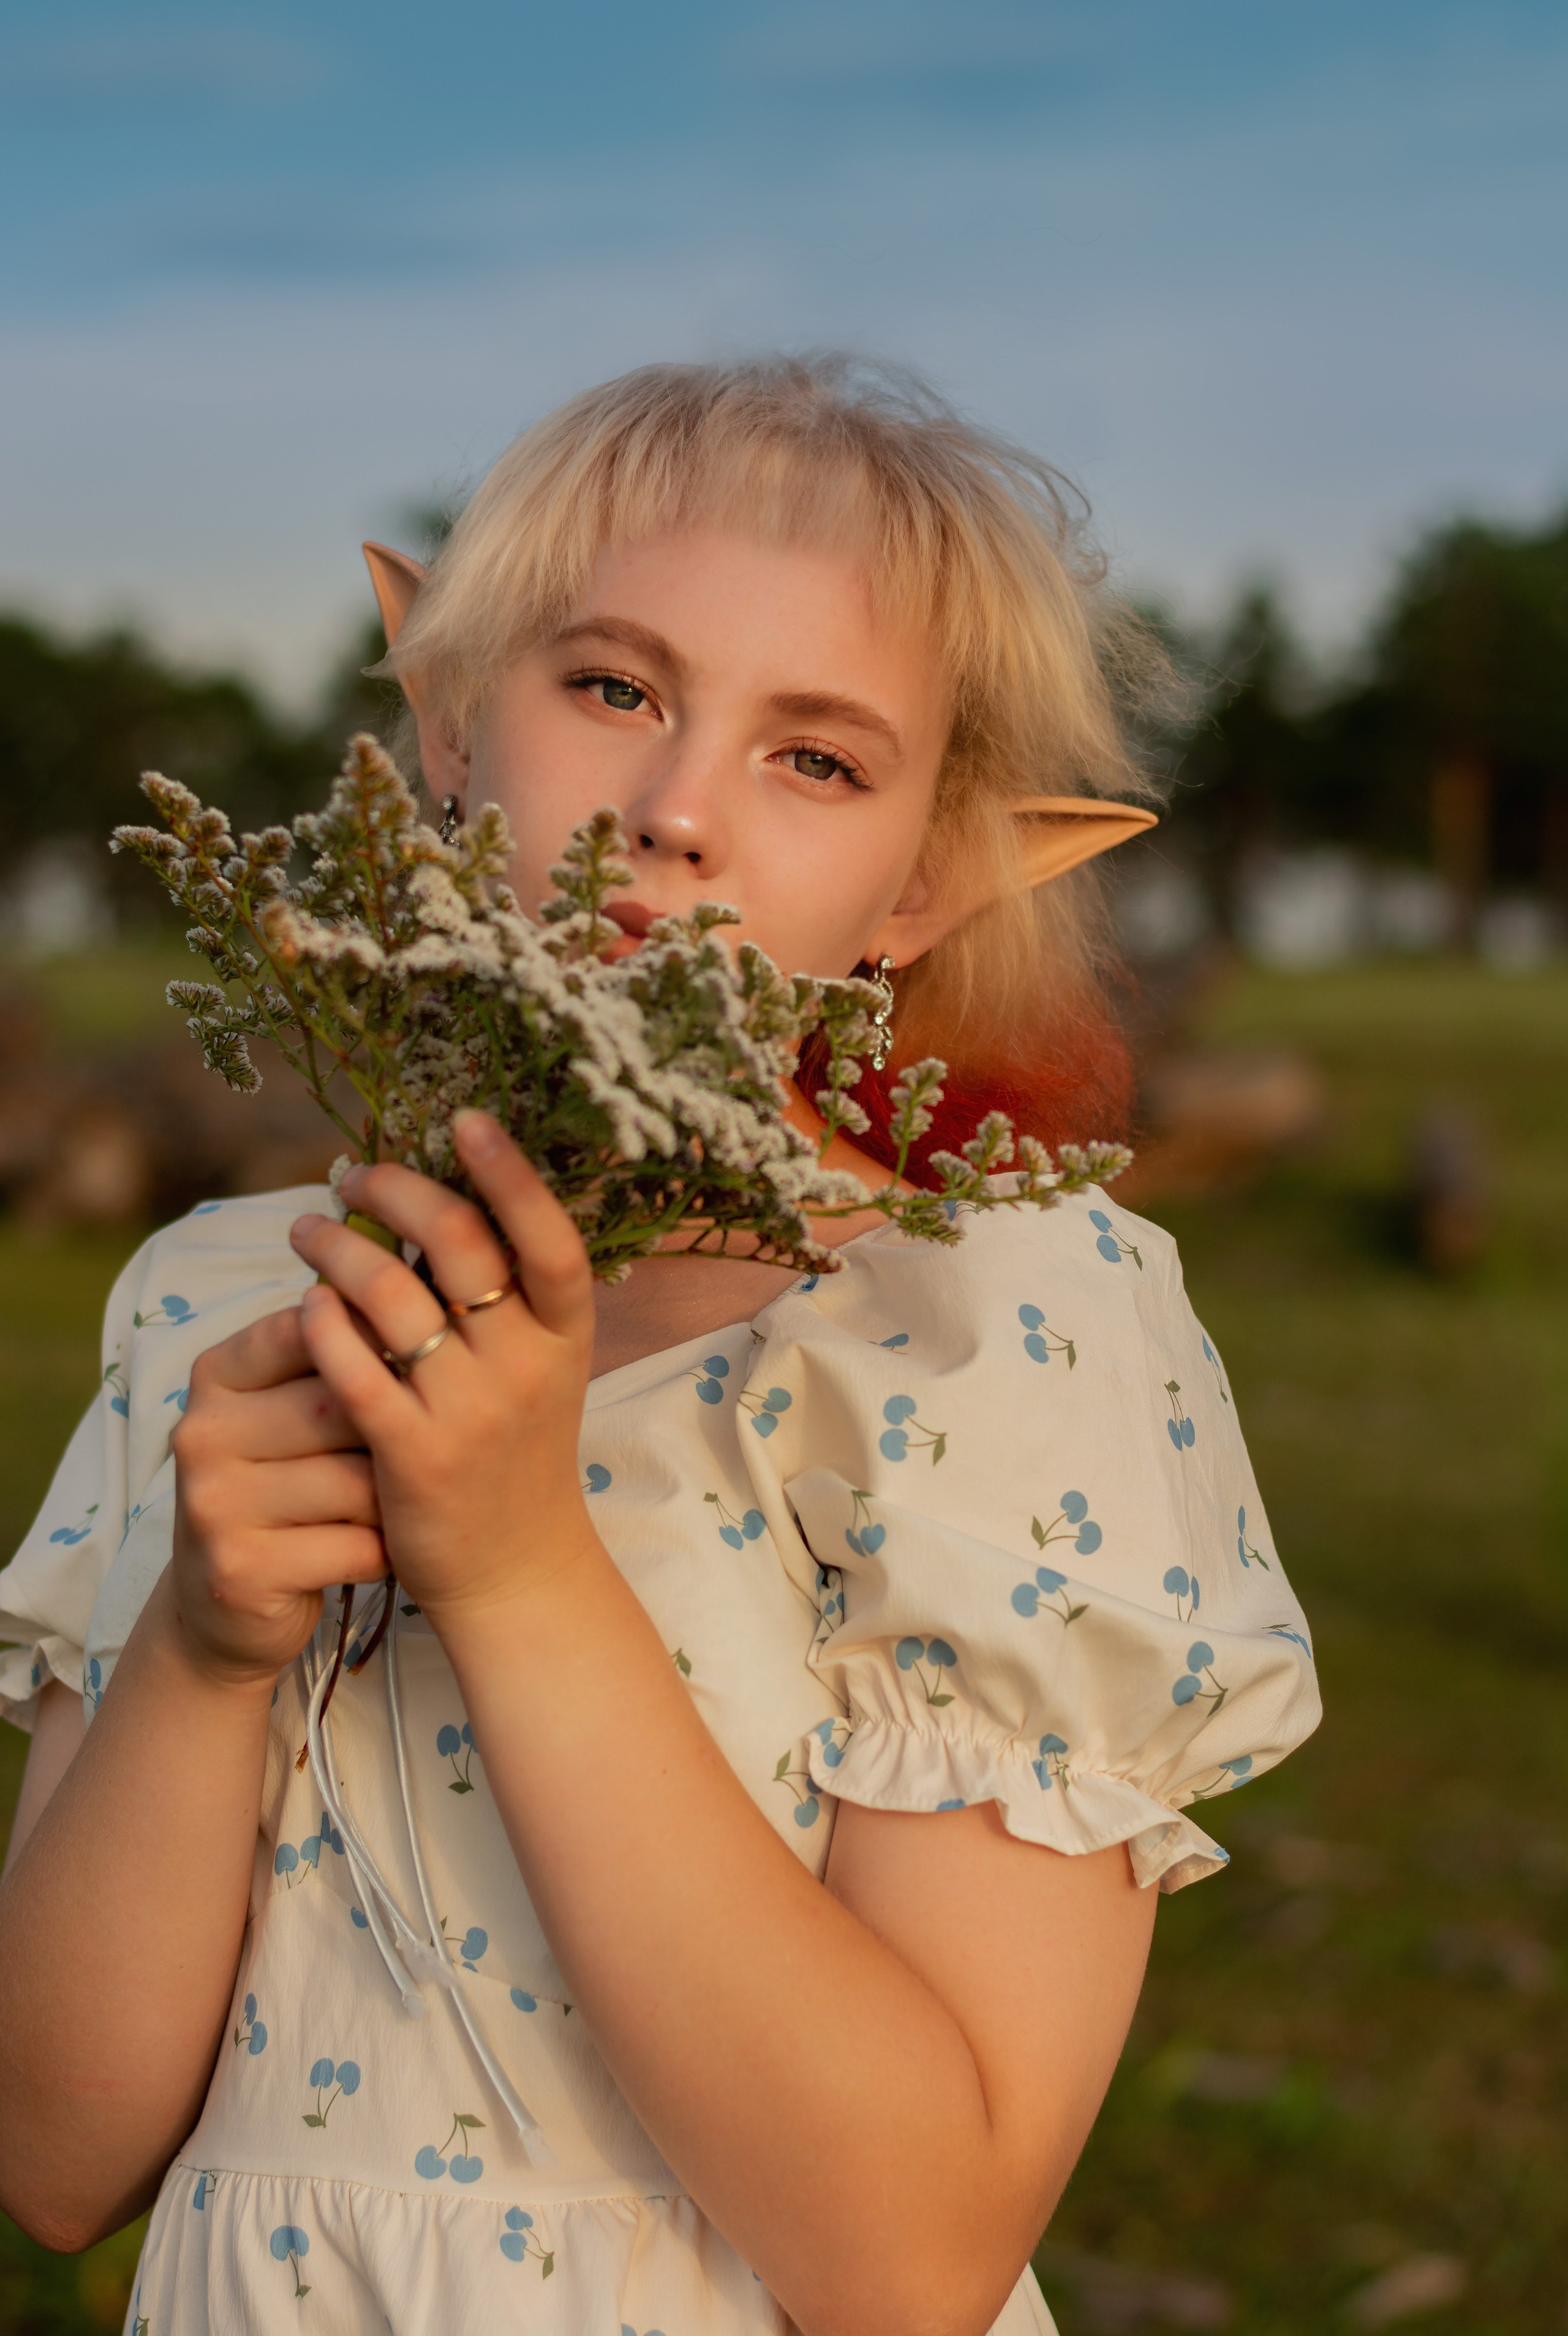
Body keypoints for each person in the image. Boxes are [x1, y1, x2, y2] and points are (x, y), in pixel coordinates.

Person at [0, 356, 1319, 2336]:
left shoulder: (989, 1332)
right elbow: (56, 2164)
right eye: (611, 687)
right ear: (443, 722)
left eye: (821, 759)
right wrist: (199, 1643)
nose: (677, 812)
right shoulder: (224, 1301)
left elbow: (913, 2261)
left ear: (930, 879)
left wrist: (525, 1571)